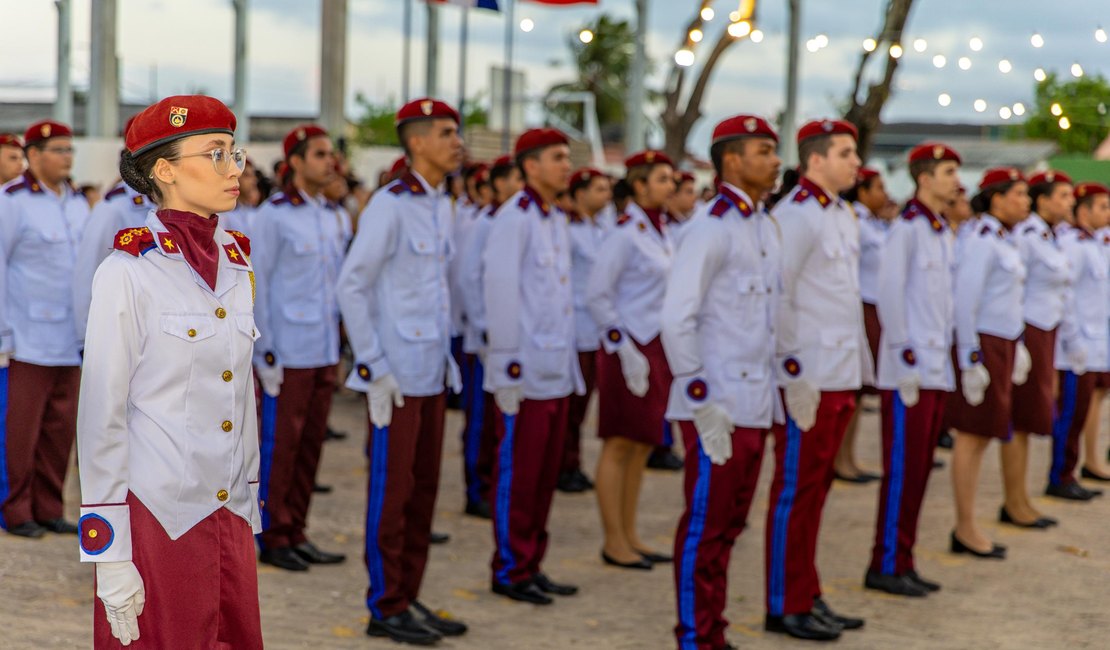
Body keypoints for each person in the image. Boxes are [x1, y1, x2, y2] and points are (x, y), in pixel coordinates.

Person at [77, 94, 262, 648]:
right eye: (215, 154)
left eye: (234, 153)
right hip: (159, 517)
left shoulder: (236, 260)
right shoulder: (128, 272)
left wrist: (249, 499)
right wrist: (109, 554)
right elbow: (100, 418)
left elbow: (240, 395)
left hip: (227, 510)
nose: (234, 170)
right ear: (165, 170)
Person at [336, 98, 467, 646]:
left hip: (430, 371)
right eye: (446, 132)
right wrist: (375, 366)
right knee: (392, 495)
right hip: (396, 378)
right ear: (416, 143)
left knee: (423, 492)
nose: (457, 141)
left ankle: (408, 595)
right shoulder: (392, 204)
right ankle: (385, 605)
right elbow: (352, 286)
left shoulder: (439, 203)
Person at [662, 114, 782, 650]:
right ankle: (695, 636)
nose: (776, 161)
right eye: (764, 150)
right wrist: (697, 395)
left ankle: (713, 630)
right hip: (718, 405)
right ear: (732, 160)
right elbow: (676, 317)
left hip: (755, 400)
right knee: (705, 529)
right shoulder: (710, 226)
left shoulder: (760, 224)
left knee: (731, 526)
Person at [765, 119, 869, 641]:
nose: (857, 162)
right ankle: (784, 601)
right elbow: (777, 298)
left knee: (816, 490)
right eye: (846, 153)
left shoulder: (841, 213)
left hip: (838, 372)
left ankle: (807, 590)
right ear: (815, 161)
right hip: (808, 376)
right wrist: (791, 373)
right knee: (796, 490)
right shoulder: (797, 216)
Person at [483, 128, 583, 606]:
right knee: (519, 475)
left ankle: (531, 562)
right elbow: (500, 294)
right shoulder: (514, 218)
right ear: (531, 166)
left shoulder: (553, 219)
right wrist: (504, 368)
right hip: (524, 372)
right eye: (557, 157)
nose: (567, 166)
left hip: (554, 368)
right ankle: (510, 567)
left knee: (543, 477)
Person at [864, 143, 961, 598]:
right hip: (909, 371)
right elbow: (888, 294)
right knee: (902, 470)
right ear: (924, 178)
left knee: (920, 470)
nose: (955, 181)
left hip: (935, 367)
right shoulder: (907, 229)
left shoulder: (941, 230)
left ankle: (904, 557)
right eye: (947, 171)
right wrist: (902, 354)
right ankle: (885, 561)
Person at [251, 124, 349, 572]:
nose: (330, 162)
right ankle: (272, 534)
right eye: (320, 154)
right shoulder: (273, 215)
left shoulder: (333, 214)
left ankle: (297, 529)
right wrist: (265, 349)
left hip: (323, 346)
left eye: (331, 154)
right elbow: (259, 284)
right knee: (280, 447)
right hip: (288, 349)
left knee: (310, 447)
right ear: (295, 163)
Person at [587, 150, 676, 571]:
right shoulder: (625, 233)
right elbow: (598, 295)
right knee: (620, 443)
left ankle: (631, 533)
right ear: (639, 186)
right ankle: (612, 540)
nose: (671, 186)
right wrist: (622, 348)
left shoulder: (661, 231)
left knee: (642, 444)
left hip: (655, 347)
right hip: (627, 348)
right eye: (662, 179)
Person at [0, 120, 88, 538]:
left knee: (59, 428)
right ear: (34, 156)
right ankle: (16, 510)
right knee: (20, 432)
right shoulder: (13, 201)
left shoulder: (77, 204)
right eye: (58, 149)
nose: (67, 157)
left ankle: (49, 506)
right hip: (27, 338)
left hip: (69, 338)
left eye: (70, 149)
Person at [948, 167, 1031, 560]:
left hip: (1002, 343)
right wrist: (970, 358)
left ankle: (969, 523)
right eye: (1019, 193)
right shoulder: (983, 239)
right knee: (972, 435)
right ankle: (965, 526)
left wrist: (1019, 345)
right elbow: (966, 300)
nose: (1026, 201)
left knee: (983, 435)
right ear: (997, 198)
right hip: (983, 343)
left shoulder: (1003, 238)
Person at [1004, 170, 1075, 522]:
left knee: (1032, 418)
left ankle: (1021, 498)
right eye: (1062, 196)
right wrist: (1018, 341)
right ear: (1043, 200)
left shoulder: (1050, 236)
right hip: (1028, 330)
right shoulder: (1027, 235)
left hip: (1047, 330)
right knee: (1020, 417)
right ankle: (1013, 502)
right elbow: (1014, 288)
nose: (1070, 202)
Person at [458, 155, 523, 518]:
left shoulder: (518, 220)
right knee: (481, 420)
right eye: (516, 178)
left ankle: (494, 485)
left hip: (508, 340)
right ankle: (476, 488)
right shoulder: (486, 221)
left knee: (501, 418)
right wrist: (483, 328)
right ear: (498, 184)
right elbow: (469, 278)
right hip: (486, 339)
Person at [1046, 182, 1110, 501]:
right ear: (1083, 212)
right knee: (1070, 413)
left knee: (1082, 410)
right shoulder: (1074, 243)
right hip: (1076, 346)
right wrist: (1073, 341)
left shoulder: (1096, 243)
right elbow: (1066, 295)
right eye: (1102, 207)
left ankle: (1069, 471)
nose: (1108, 213)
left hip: (1096, 343)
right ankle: (1060, 475)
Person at [834, 166, 892, 484]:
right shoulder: (853, 219)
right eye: (878, 187)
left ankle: (849, 457)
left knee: (859, 393)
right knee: (853, 390)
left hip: (874, 306)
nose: (885, 194)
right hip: (861, 306)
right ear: (863, 190)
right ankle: (841, 460)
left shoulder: (871, 222)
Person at [559, 167, 611, 494]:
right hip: (575, 328)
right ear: (580, 194)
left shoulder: (599, 229)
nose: (605, 195)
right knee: (572, 406)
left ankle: (571, 463)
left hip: (595, 330)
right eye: (599, 189)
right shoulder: (569, 231)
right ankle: (565, 465)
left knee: (582, 404)